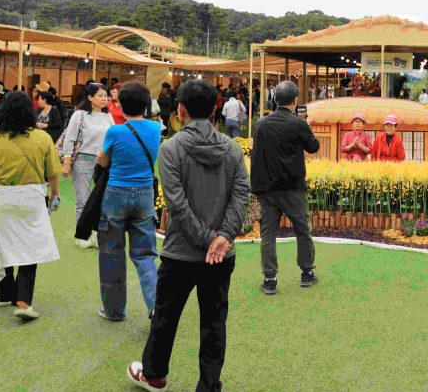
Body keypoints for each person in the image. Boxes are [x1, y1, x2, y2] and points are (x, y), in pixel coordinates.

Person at [127, 79, 249, 392]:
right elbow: (241, 194)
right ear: (215, 109)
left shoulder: (171, 148)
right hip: (221, 254)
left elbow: (177, 204)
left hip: (181, 251)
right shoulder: (232, 148)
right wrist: (222, 237)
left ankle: (154, 375)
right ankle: (209, 385)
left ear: (180, 110)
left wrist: (210, 239)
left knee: (166, 316)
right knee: (214, 323)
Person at [0, 91, 61, 321]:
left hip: (0, 198)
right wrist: (55, 193)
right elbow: (52, 172)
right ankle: (23, 301)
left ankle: (4, 293)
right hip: (32, 198)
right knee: (31, 248)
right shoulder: (42, 138)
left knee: (1, 246)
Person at [96, 81, 161, 322]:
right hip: (144, 193)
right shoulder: (155, 128)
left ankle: (114, 310)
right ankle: (156, 306)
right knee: (144, 254)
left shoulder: (115, 131)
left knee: (111, 252)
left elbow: (104, 160)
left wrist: (102, 159)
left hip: (116, 192)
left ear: (121, 105)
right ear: (146, 105)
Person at [250, 80, 320, 295]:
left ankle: (270, 279)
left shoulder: (261, 124)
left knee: (268, 233)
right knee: (302, 230)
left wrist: (256, 187)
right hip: (292, 188)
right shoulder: (299, 124)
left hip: (267, 189)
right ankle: (307, 273)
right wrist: (306, 125)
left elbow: (256, 156)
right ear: (295, 100)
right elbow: (313, 147)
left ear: (274, 99)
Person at [61, 82, 114, 248]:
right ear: (90, 97)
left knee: (101, 200)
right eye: (100, 96)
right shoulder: (80, 115)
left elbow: (112, 139)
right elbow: (69, 139)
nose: (104, 99)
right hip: (83, 160)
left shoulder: (108, 116)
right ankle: (82, 235)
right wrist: (67, 162)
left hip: (103, 162)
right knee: (83, 199)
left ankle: (97, 234)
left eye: (106, 96)